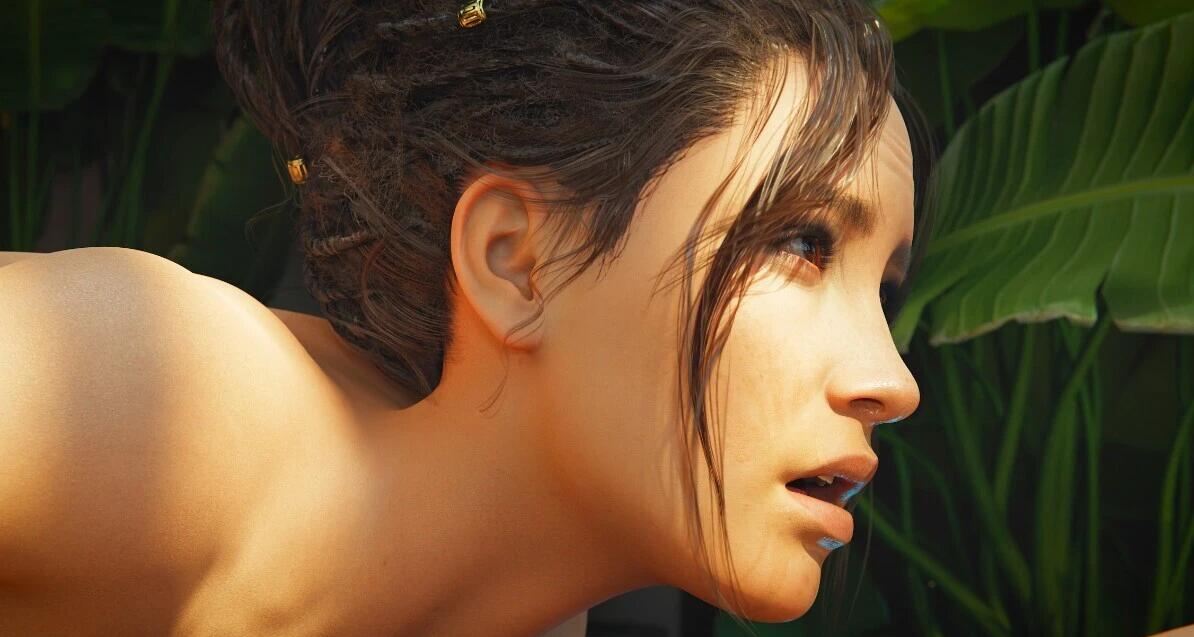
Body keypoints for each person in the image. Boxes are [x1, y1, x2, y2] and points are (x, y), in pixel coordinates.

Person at [0, 1, 927, 635]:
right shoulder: (151, 396)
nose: (892, 381)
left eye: (882, 291)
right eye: (802, 243)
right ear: (516, 259)